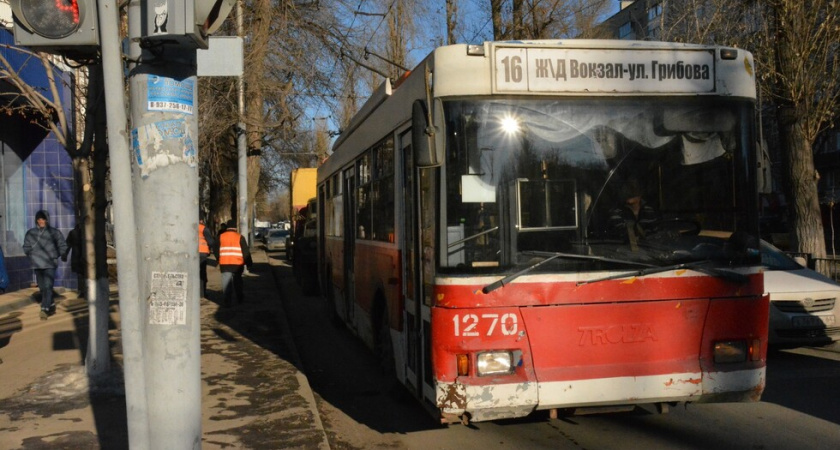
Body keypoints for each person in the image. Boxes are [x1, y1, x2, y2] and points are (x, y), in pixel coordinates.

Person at [23, 210, 68, 320]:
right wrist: (30, 254)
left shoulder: (54, 232)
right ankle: (51, 304)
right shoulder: (31, 233)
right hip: (37, 264)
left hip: (50, 264)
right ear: (36, 220)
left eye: (43, 219)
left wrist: (56, 255)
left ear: (47, 220)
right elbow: (26, 247)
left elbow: (63, 245)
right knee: (42, 288)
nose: (41, 221)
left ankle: (44, 309)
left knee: (48, 287)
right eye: (39, 219)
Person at [608, 179, 659, 248]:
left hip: (648, 251)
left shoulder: (648, 211)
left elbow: (654, 235)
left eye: (632, 189)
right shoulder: (617, 212)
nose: (628, 193)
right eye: (626, 189)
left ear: (640, 193)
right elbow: (619, 236)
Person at [214, 219, 252, 307]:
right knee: (238, 282)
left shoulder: (221, 236)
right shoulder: (240, 237)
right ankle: (240, 299)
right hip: (237, 265)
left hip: (225, 264)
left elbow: (216, 250)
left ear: (227, 227)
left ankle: (227, 302)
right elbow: (245, 252)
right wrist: (249, 263)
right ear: (235, 227)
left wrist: (218, 258)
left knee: (226, 284)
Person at [62, 223, 86, 299]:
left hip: (77, 257)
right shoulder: (87, 232)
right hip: (85, 256)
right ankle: (84, 291)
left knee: (80, 275)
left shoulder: (73, 232)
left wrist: (64, 255)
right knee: (83, 274)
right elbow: (68, 244)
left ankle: (83, 291)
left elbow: (67, 244)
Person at [198, 216, 215, 298]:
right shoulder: (203, 228)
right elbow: (211, 242)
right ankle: (202, 293)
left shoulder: (188, 227)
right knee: (202, 274)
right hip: (202, 253)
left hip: (191, 254)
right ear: (201, 220)